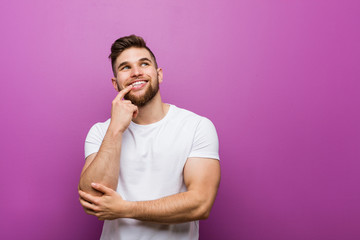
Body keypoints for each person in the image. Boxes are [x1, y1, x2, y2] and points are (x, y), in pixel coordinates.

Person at [78, 35, 220, 240]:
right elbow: (93, 199)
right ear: (115, 83)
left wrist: (125, 209)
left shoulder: (196, 127)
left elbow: (201, 203)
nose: (136, 72)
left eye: (144, 64)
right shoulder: (101, 132)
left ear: (159, 74)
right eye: (125, 67)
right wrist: (116, 129)